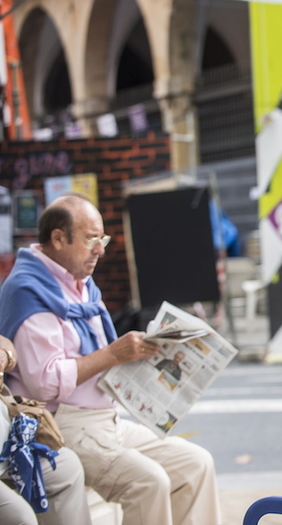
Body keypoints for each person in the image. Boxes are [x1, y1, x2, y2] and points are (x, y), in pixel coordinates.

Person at [0, 194, 222, 525]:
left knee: (196, 462)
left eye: (101, 239)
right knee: (149, 481)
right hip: (64, 423)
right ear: (58, 238)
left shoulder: (79, 283)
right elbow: (44, 382)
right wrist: (112, 354)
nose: (100, 250)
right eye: (91, 239)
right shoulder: (30, 290)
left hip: (106, 419)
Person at [0, 335, 93, 525]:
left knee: (65, 465)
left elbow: (6, 344)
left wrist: (5, 355)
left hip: (7, 442)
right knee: (21, 518)